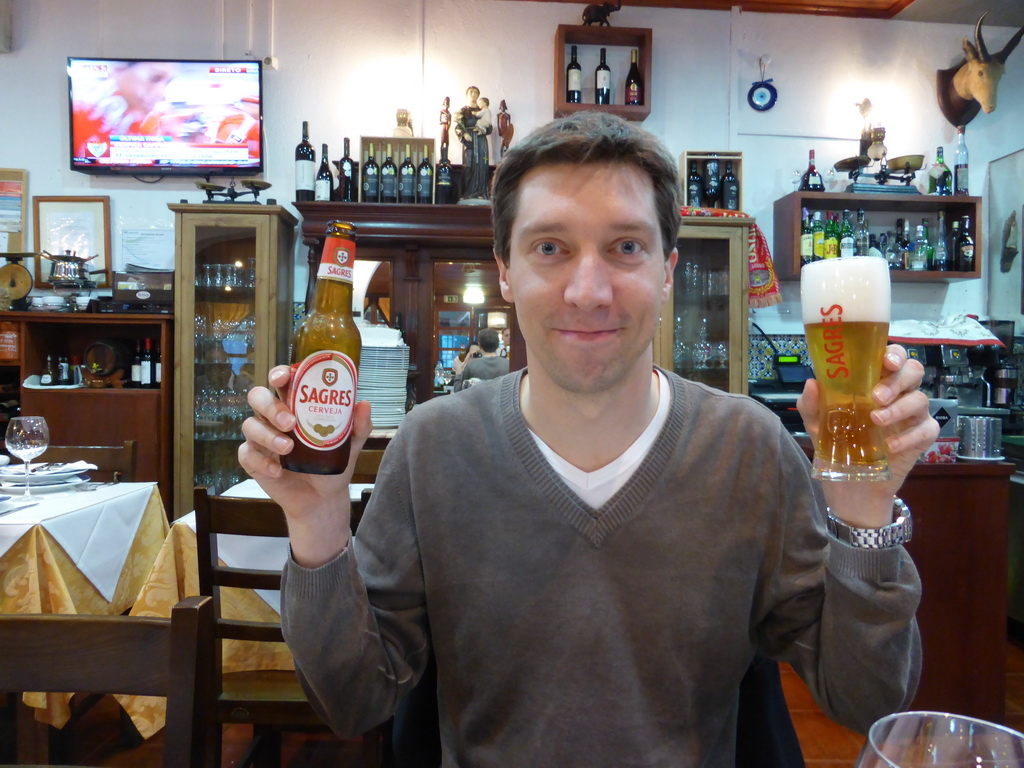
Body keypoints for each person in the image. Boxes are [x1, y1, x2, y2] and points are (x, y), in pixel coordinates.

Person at [240, 111, 938, 766]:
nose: (588, 290)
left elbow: (866, 697)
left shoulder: (748, 448)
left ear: (667, 270)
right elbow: (354, 701)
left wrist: (864, 514)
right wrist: (317, 522)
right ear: (506, 272)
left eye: (625, 247)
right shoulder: (432, 448)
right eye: (551, 247)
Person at [71, 61, 178, 158]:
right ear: (119, 71)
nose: (160, 93)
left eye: (167, 83)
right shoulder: (80, 114)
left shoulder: (157, 123)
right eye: (155, 78)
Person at [455, 86, 492, 201]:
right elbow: (458, 127)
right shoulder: (463, 110)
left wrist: (484, 130)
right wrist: (464, 134)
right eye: (471, 92)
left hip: (480, 140)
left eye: (476, 92)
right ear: (467, 94)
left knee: (481, 166)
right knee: (469, 166)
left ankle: (481, 192)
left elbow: (489, 126)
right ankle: (468, 194)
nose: (473, 94)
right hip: (469, 141)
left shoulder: (483, 110)